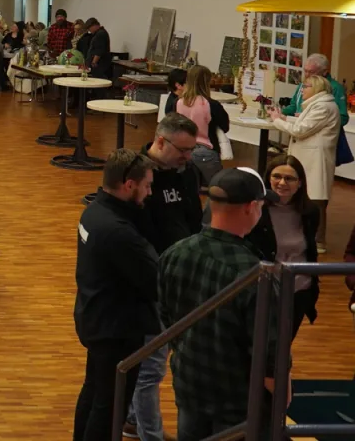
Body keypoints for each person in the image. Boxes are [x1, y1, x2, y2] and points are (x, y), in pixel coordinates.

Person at [160, 168, 285, 440]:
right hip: (237, 403)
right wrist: (282, 390)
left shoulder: (174, 253)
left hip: (189, 385)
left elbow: (167, 319)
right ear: (251, 207)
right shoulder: (254, 273)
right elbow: (268, 352)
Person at [123, 114, 202, 441]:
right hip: (153, 284)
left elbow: (192, 219)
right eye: (182, 150)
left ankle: (131, 419)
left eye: (192, 150)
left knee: (155, 362)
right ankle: (150, 435)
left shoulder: (187, 173)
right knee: (151, 368)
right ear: (159, 141)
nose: (187, 156)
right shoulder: (137, 176)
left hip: (182, 279)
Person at [73, 148, 159, 441]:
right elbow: (153, 280)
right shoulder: (119, 231)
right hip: (117, 329)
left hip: (95, 316)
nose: (149, 193)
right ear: (129, 185)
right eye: (147, 186)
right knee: (110, 407)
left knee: (94, 392)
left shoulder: (94, 212)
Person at [244, 155, 320, 339]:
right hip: (265, 291)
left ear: (300, 183)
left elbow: (309, 248)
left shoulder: (310, 212)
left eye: (290, 178)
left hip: (298, 292)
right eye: (276, 176)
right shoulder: (255, 209)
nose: (282, 182)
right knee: (260, 346)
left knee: (283, 347)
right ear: (268, 178)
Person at [269, 75, 341, 252]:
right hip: (310, 157)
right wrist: (285, 119)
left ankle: (318, 241)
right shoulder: (319, 104)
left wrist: (277, 121)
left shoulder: (323, 106)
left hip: (315, 159)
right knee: (310, 195)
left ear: (315, 88)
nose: (303, 90)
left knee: (316, 198)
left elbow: (300, 130)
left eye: (306, 87)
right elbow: (307, 124)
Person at [175, 66, 230, 185]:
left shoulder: (179, 102)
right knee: (219, 188)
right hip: (205, 151)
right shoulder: (211, 104)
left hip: (183, 150)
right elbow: (225, 127)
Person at [280, 53, 349, 128]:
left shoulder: (336, 88)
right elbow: (294, 106)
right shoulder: (303, 84)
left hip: (323, 135)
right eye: (305, 71)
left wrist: (310, 118)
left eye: (311, 72)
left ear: (324, 71)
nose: (307, 75)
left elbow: (343, 118)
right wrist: (279, 112)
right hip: (301, 130)